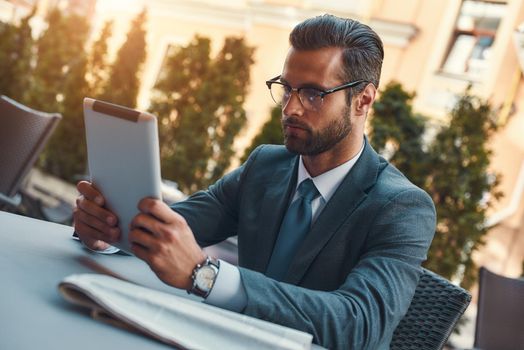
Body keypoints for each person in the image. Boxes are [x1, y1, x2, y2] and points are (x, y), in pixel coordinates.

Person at [74, 14, 436, 349]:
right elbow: (177, 227)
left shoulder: (402, 207)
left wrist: (206, 276)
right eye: (287, 88)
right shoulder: (266, 165)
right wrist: (110, 227)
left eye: (313, 94)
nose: (291, 108)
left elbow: (359, 324)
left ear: (363, 100)